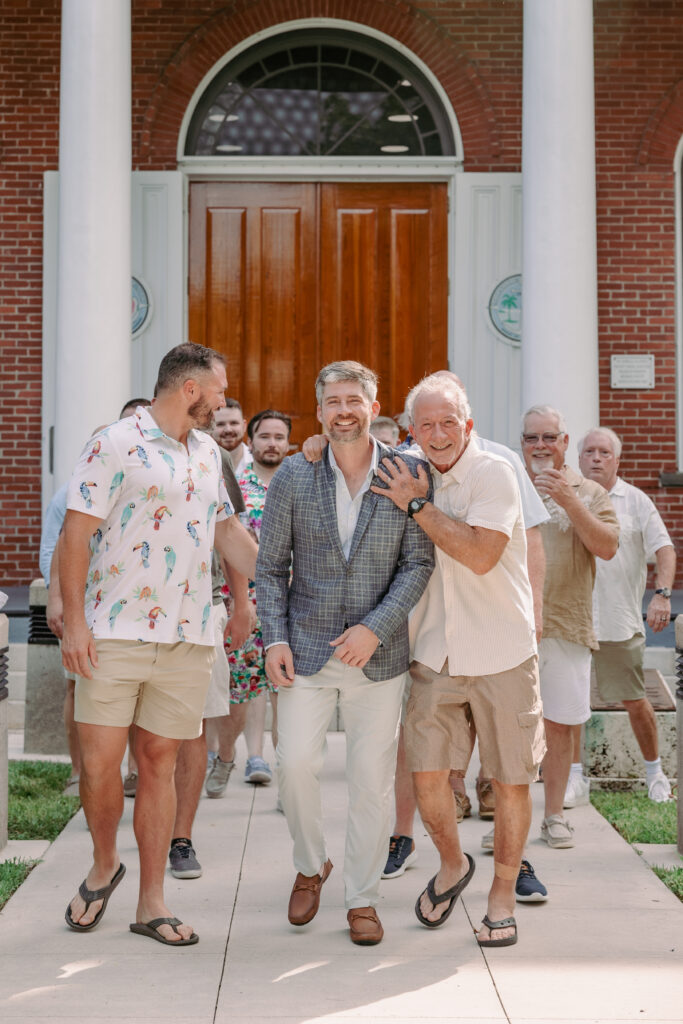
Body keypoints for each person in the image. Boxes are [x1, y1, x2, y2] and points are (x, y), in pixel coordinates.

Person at [60, 343, 257, 946]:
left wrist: (264, 589)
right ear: (191, 389)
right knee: (98, 766)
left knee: (158, 764)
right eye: (219, 391)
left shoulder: (207, 454)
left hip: (188, 635)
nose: (224, 403)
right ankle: (102, 864)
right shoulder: (114, 442)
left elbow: (228, 532)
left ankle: (151, 901)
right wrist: (73, 622)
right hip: (112, 632)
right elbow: (75, 534)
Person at [256, 361, 434, 946]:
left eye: (354, 399)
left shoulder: (408, 472)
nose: (344, 411)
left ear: (374, 402)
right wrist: (274, 637)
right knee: (294, 766)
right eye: (333, 401)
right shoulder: (292, 476)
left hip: (376, 659)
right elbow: (269, 566)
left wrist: (376, 629)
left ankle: (362, 899)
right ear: (319, 410)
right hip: (303, 650)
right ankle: (311, 865)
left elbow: (417, 564)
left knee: (370, 783)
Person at [374, 373, 545, 947]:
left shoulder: (495, 472)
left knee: (510, 779)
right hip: (433, 652)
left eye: (450, 421)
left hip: (503, 651)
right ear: (411, 430)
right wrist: (323, 442)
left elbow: (478, 555)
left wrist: (417, 505)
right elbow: (347, 457)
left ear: (467, 424)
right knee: (427, 777)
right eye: (427, 424)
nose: (440, 433)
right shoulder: (403, 466)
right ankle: (452, 865)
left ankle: (501, 892)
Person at [521, 405, 619, 849]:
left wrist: (570, 501)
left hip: (566, 623)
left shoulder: (590, 490)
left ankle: (555, 815)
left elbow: (607, 547)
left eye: (549, 437)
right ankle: (512, 821)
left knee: (559, 725)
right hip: (511, 627)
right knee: (510, 726)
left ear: (564, 442)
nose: (540, 446)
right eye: (531, 438)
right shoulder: (508, 483)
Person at [43, 399, 152, 796]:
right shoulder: (74, 490)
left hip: (135, 615)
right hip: (85, 609)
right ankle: (81, 773)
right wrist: (57, 600)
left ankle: (135, 771)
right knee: (80, 690)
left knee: (142, 699)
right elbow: (59, 545)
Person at [570, 426, 675, 804]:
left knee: (634, 699)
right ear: (578, 458)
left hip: (618, 619)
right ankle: (574, 777)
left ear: (617, 460)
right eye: (589, 452)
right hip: (571, 618)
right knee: (570, 699)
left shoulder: (635, 501)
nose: (595, 458)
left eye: (604, 453)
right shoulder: (567, 498)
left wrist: (661, 596)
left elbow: (664, 550)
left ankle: (655, 773)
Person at [206, 409, 292, 796]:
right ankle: (224, 755)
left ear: (288, 443)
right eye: (264, 436)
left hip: (294, 604)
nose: (272, 443)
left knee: (287, 693)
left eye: (279, 437)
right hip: (245, 602)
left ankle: (287, 779)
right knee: (239, 690)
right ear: (250, 441)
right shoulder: (235, 484)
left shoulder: (299, 482)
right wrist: (241, 604)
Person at [213, 398, 251, 477]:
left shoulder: (258, 462)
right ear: (210, 428)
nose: (228, 430)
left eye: (234, 423)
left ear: (244, 426)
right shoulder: (199, 464)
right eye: (220, 424)